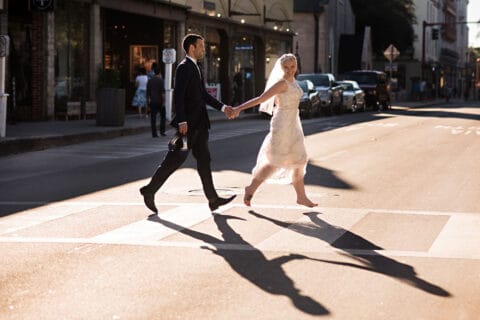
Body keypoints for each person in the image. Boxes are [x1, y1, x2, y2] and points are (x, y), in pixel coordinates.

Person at [140, 34, 236, 214]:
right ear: (192, 48)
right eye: (201, 46)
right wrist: (182, 120)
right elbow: (178, 95)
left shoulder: (196, 67)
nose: (203, 49)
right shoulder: (184, 67)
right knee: (174, 160)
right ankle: (149, 190)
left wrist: (224, 108)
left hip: (200, 124)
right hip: (188, 126)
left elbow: (204, 95)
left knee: (204, 161)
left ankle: (213, 199)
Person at [232, 53, 317, 208]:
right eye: (286, 67)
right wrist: (238, 108)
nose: (290, 70)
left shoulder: (294, 82)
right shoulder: (281, 83)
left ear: (296, 66)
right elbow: (260, 99)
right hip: (282, 124)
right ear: (281, 67)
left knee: (299, 160)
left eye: (292, 66)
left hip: (294, 124)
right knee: (275, 161)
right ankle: (251, 188)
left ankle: (301, 197)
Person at [146, 66, 166, 137]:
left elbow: (148, 93)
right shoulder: (161, 80)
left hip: (152, 101)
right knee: (163, 117)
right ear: (160, 73)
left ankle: (154, 133)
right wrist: (164, 102)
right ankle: (162, 131)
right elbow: (162, 93)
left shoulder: (150, 81)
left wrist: (148, 104)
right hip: (160, 101)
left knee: (153, 118)